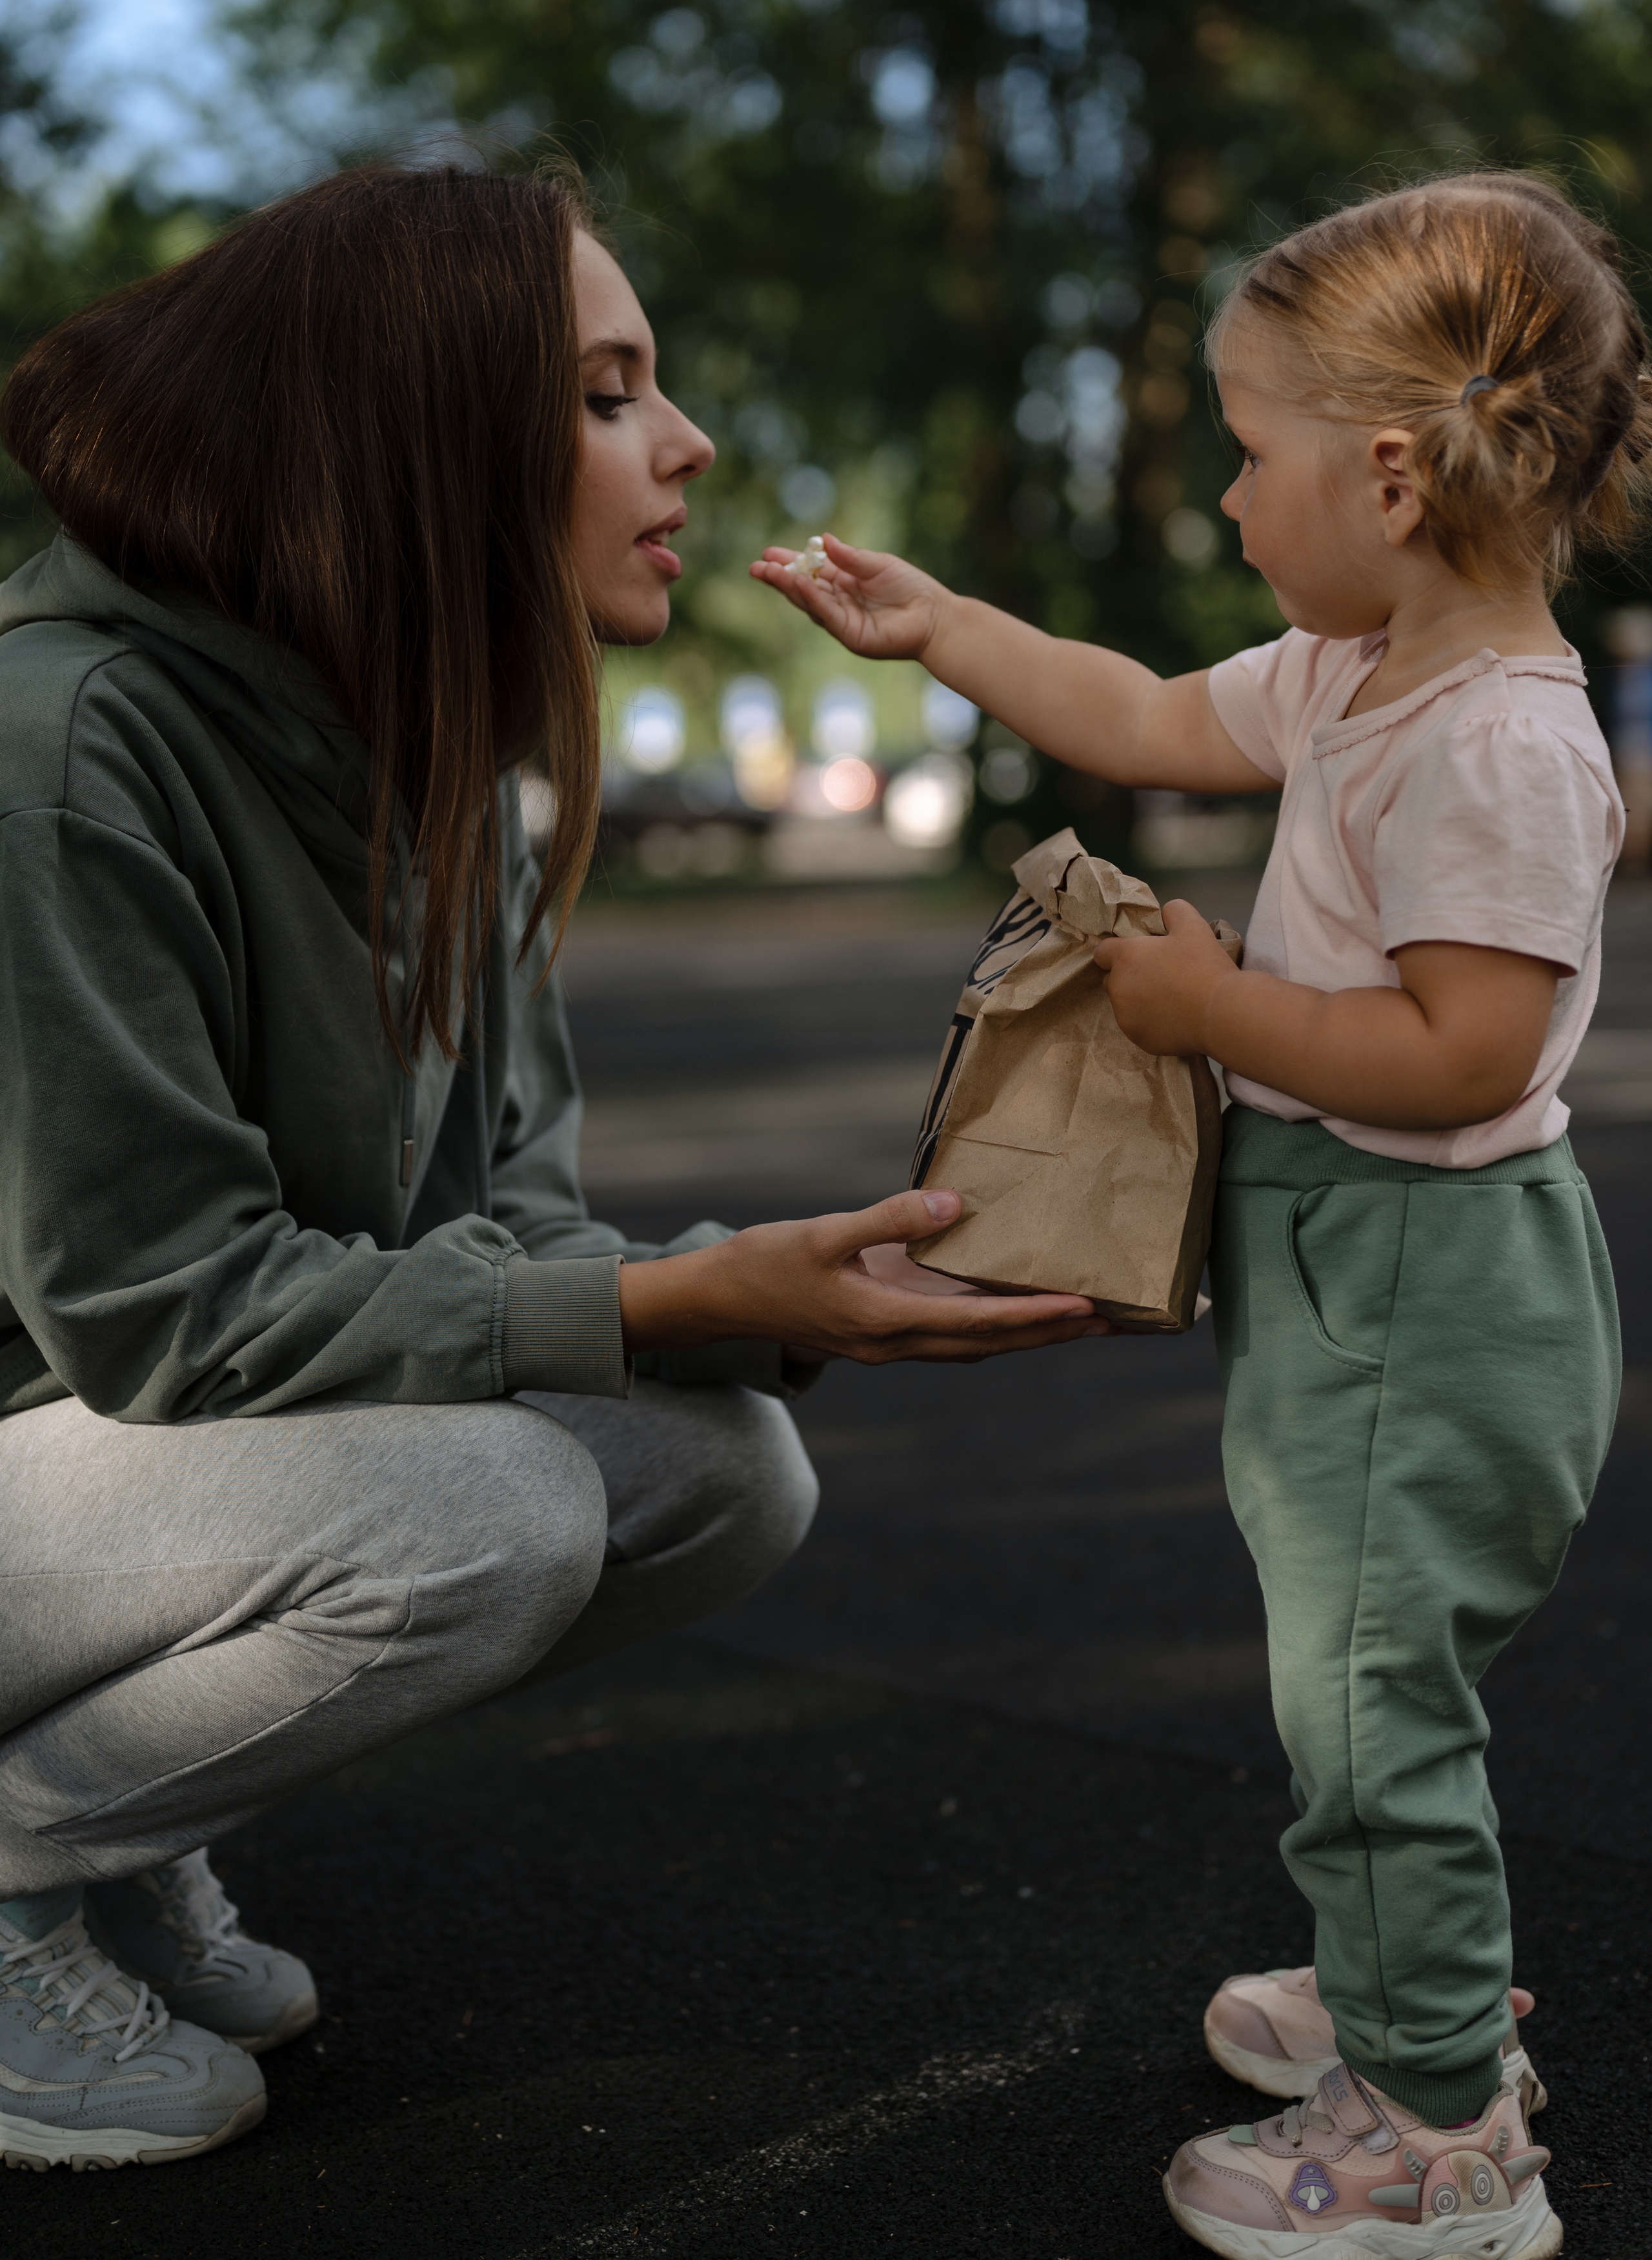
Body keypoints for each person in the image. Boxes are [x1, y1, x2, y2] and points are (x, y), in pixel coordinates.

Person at [0, 159, 1107, 2173]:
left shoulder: (458, 784)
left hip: (106, 1485)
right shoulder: (62, 745)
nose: (684, 447)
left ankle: (110, 1831)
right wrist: (670, 1298)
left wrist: (780, 1289)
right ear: (408, 436)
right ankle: (17, 1861)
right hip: (68, 1429)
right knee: (493, 1506)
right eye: (608, 395)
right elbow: (159, 1308)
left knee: (716, 1471)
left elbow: (502, 1229)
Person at [756, 170, 1640, 2259]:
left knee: (1364, 1693)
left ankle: (1439, 2142)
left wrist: (1212, 999)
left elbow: (1472, 1052)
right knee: (1360, 1670)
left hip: (1428, 1278)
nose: (1232, 502)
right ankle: (1397, 1987)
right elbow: (1146, 714)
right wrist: (942, 630)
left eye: (1253, 457)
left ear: (1398, 475)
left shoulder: (1498, 740)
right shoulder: (1357, 667)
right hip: (1364, 1266)